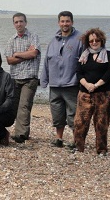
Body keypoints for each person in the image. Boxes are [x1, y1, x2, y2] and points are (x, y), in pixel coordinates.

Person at [40, 11, 83, 148]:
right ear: (59, 23)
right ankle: (59, 139)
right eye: (62, 21)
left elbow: (84, 61)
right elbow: (47, 61)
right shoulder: (53, 41)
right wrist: (44, 80)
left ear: (72, 22)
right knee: (57, 113)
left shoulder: (80, 39)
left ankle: (76, 140)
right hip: (55, 85)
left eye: (67, 21)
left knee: (73, 114)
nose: (65, 24)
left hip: (71, 84)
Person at [4, 12, 41, 143]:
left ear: (26, 22)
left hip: (30, 78)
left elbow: (34, 53)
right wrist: (26, 54)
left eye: (21, 21)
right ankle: (10, 130)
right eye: (16, 22)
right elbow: (9, 60)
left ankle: (21, 134)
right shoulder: (11, 40)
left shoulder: (33, 37)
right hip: (15, 77)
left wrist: (18, 54)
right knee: (13, 106)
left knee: (24, 106)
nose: (19, 24)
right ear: (13, 24)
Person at [74, 28, 110, 155]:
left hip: (103, 94)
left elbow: (108, 73)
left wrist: (96, 85)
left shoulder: (108, 55)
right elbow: (78, 73)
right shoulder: (83, 56)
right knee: (80, 122)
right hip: (84, 93)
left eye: (97, 40)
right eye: (91, 41)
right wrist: (87, 85)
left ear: (102, 40)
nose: (94, 42)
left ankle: (101, 150)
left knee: (102, 122)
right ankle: (78, 147)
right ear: (87, 42)